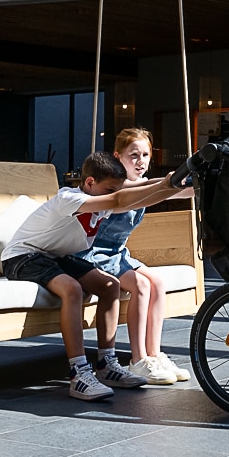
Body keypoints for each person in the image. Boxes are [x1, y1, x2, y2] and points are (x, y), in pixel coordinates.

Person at [1, 151, 189, 400]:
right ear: (89, 182)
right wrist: (165, 183)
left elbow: (139, 199)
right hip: (23, 256)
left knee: (110, 285)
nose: (112, 194)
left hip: (55, 256)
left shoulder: (101, 197)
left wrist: (173, 184)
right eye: (109, 189)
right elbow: (121, 200)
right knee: (72, 289)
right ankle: (78, 372)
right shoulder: (70, 198)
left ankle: (106, 365)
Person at [76, 128, 189, 386]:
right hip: (94, 254)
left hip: (117, 254)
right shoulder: (118, 186)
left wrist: (197, 185)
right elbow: (152, 188)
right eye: (133, 155)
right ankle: (138, 359)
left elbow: (169, 190)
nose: (141, 161)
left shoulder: (143, 184)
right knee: (141, 284)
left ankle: (154, 353)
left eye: (146, 155)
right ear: (117, 157)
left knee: (157, 282)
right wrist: (168, 183)